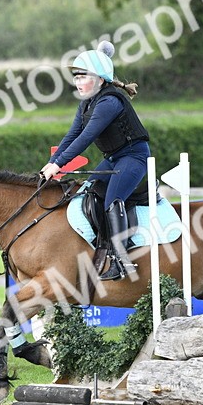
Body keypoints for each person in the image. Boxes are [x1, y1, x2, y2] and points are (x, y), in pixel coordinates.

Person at [41, 41, 150, 281]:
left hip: (133, 157)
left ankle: (122, 262)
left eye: (84, 77)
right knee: (88, 195)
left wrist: (58, 166)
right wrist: (51, 163)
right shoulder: (86, 104)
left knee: (112, 200)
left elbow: (86, 138)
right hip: (113, 159)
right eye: (76, 78)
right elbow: (71, 136)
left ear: (100, 79)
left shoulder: (110, 102)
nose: (78, 82)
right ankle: (103, 247)